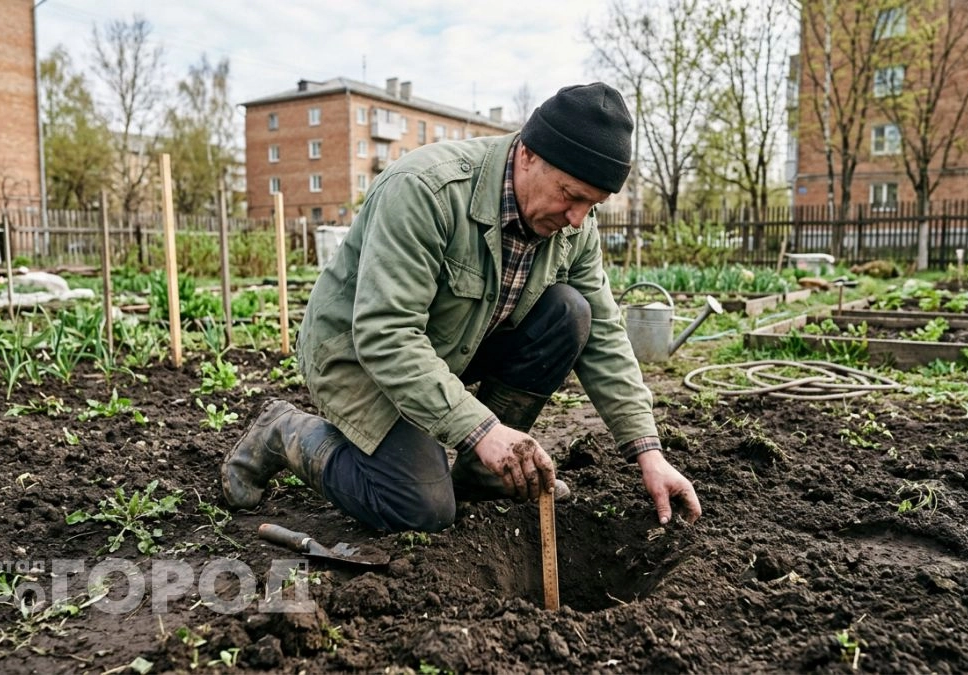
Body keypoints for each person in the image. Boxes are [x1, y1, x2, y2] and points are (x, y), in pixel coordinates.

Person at [221, 82, 702, 533]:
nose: (577, 218)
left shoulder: (575, 226)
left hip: (450, 346)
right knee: (419, 509)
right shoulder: (425, 190)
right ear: (528, 154)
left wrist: (648, 451)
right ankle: (285, 431)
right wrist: (483, 428)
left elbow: (604, 336)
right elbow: (386, 334)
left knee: (571, 312)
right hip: (357, 352)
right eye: (570, 196)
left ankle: (481, 475)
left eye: (592, 206)